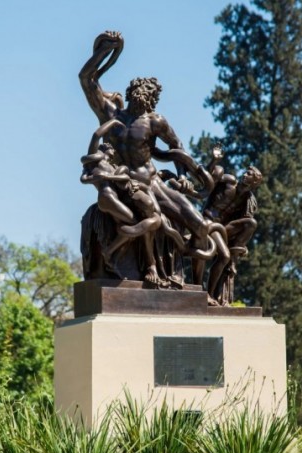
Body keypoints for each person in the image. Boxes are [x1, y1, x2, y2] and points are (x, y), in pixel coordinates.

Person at [80, 31, 215, 275]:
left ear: (154, 100)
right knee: (151, 218)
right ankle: (150, 267)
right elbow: (86, 79)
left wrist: (183, 175)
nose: (145, 94)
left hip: (153, 183)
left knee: (200, 225)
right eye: (142, 90)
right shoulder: (112, 115)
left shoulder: (155, 122)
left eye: (151, 93)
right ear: (131, 92)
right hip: (125, 183)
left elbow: (177, 149)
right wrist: (106, 50)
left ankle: (198, 288)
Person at [81, 119, 184, 284]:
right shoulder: (95, 162)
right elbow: (96, 135)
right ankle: (111, 252)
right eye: (107, 147)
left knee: (141, 222)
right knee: (137, 224)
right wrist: (114, 122)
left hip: (115, 198)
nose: (110, 148)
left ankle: (111, 252)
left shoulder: (113, 167)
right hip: (107, 199)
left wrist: (133, 184)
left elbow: (122, 178)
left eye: (111, 148)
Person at [201, 165, 264, 305]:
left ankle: (236, 248)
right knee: (224, 256)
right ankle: (209, 294)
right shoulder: (229, 181)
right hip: (207, 222)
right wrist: (214, 162)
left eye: (249, 174)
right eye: (246, 171)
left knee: (251, 223)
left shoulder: (247, 200)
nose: (245, 174)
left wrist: (241, 243)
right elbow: (208, 178)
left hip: (223, 229)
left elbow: (244, 221)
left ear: (254, 183)